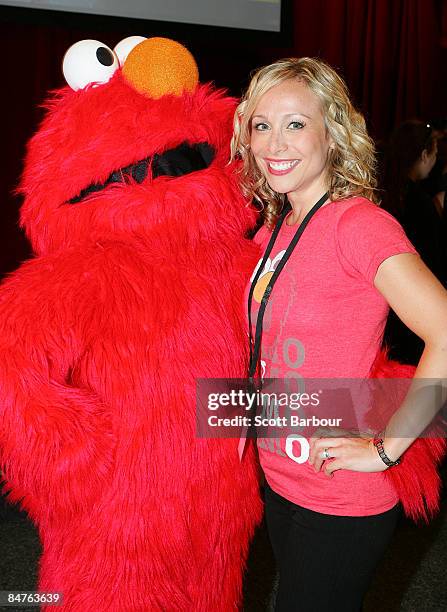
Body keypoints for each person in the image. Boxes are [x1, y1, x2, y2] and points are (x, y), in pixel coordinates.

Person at [231, 57, 447, 611]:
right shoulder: (269, 231)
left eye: (296, 123)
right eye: (261, 125)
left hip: (339, 496)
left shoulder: (358, 224)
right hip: (280, 479)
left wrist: (387, 448)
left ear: (333, 134)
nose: (275, 142)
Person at [381, 120, 446, 364]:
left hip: (383, 314)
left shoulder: (377, 192)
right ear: (423, 154)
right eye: (435, 154)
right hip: (412, 319)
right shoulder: (420, 203)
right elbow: (435, 264)